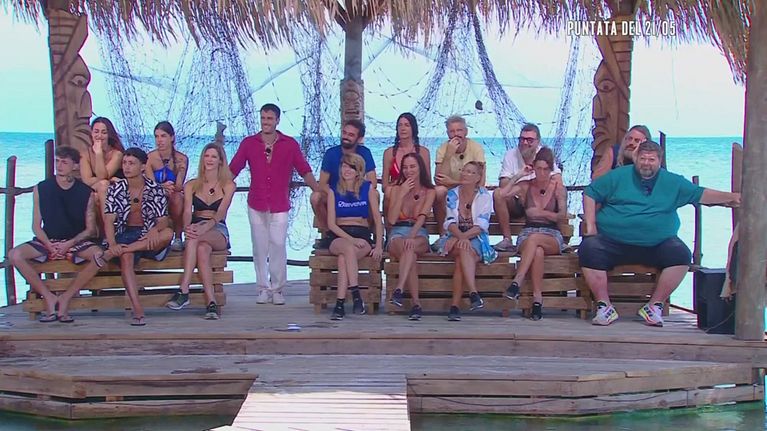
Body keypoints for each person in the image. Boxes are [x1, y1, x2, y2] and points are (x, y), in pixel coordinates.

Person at [580, 141, 740, 327]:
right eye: (643, 159)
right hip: (613, 241)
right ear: (635, 158)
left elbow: (701, 194)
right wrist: (591, 225)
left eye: (651, 160)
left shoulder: (673, 181)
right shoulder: (618, 176)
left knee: (681, 254)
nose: (646, 163)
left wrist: (731, 197)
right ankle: (604, 306)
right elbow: (590, 192)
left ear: (659, 161)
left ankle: (654, 306)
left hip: (657, 244)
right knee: (589, 248)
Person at [58, 147, 173, 326]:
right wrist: (112, 244)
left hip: (147, 237)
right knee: (126, 257)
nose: (126, 167)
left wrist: (154, 230)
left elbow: (163, 221)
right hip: (125, 234)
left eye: (131, 163)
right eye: (124, 163)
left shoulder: (155, 189)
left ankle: (121, 251)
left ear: (143, 167)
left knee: (168, 233)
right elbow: (109, 221)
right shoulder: (116, 189)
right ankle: (137, 310)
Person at [230, 103, 320, 305]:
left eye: (269, 118)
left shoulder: (290, 144)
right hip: (256, 202)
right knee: (259, 247)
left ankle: (277, 289)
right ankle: (263, 288)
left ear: (277, 120)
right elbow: (233, 169)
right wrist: (216, 187)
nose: (265, 122)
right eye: (263, 118)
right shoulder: (249, 143)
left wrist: (318, 189)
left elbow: (304, 169)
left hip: (280, 203)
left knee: (278, 245)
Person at [7, 146, 101, 322]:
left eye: (64, 162)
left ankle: (66, 297)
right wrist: (48, 244)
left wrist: (69, 244)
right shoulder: (42, 188)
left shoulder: (85, 192)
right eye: (57, 161)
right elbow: (36, 226)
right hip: (47, 240)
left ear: (75, 165)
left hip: (74, 241)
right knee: (14, 255)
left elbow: (90, 229)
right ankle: (48, 296)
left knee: (99, 256)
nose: (59, 165)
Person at [166, 143, 235, 319]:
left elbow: (221, 213)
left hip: (217, 229)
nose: (209, 160)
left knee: (194, 238)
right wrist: (187, 227)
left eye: (214, 157)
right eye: (206, 156)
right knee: (201, 249)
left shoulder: (228, 185)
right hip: (197, 227)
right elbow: (187, 211)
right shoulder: (191, 185)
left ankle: (184, 290)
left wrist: (204, 226)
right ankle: (211, 303)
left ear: (220, 161)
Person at [498, 147, 568, 320]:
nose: (542, 173)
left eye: (546, 169)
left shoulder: (558, 188)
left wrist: (540, 213)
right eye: (538, 168)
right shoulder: (526, 185)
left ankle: (517, 282)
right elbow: (501, 195)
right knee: (537, 251)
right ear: (533, 168)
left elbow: (561, 216)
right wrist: (519, 175)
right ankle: (537, 300)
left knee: (535, 240)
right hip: (528, 232)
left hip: (551, 234)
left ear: (551, 170)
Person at [324, 154, 384, 320]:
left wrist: (379, 245)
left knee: (343, 259)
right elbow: (331, 224)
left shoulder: (368, 189)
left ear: (358, 171)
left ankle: (340, 305)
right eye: (344, 166)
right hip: (339, 235)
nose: (347, 170)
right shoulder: (333, 190)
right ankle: (356, 294)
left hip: (362, 234)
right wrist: (351, 240)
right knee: (347, 249)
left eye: (351, 167)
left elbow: (378, 220)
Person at [435, 161, 497, 321]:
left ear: (478, 178)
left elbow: (482, 225)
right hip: (454, 237)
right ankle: (473, 293)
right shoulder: (452, 194)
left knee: (460, 259)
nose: (465, 174)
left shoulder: (484, 196)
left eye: (470, 172)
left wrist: (461, 238)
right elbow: (449, 222)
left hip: (476, 238)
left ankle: (455, 306)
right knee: (463, 249)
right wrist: (459, 237)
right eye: (464, 170)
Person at [493, 123, 562, 252]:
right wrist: (520, 179)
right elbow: (503, 185)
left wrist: (536, 188)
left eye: (529, 140)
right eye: (522, 139)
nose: (525, 143)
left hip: (540, 201)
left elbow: (557, 178)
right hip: (518, 201)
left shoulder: (543, 154)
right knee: (497, 193)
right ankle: (507, 239)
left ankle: (558, 237)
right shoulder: (511, 155)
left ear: (537, 141)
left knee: (556, 191)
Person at [386, 152, 436, 320]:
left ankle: (399, 289)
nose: (409, 171)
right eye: (405, 167)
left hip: (418, 232)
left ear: (420, 168)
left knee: (411, 248)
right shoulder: (396, 189)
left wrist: (412, 235)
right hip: (398, 232)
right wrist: (401, 193)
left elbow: (422, 217)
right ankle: (415, 303)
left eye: (412, 166)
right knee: (410, 253)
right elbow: (392, 219)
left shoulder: (429, 191)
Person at [310, 119, 376, 231]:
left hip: (358, 193)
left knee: (375, 194)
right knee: (315, 197)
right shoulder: (331, 153)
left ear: (359, 138)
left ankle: (368, 230)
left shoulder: (365, 152)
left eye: (351, 135)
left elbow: (373, 182)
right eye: (344, 133)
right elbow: (322, 184)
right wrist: (338, 195)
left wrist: (356, 192)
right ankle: (328, 232)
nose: (346, 137)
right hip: (335, 194)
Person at [433, 115, 486, 242]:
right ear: (448, 134)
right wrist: (449, 154)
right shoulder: (442, 149)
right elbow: (439, 180)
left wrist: (453, 182)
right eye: (452, 131)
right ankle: (443, 234)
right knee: (439, 191)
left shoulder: (476, 148)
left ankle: (472, 235)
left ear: (466, 132)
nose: (456, 134)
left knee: (479, 193)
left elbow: (480, 182)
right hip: (450, 193)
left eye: (459, 130)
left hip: (470, 192)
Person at [145, 121, 188, 251]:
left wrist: (180, 171)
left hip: (173, 195)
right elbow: (150, 184)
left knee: (178, 197)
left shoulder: (182, 158)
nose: (159, 140)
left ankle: (178, 237)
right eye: (156, 136)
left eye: (163, 136)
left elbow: (179, 186)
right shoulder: (150, 158)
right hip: (155, 196)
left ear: (172, 137)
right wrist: (162, 187)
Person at [381, 113, 431, 222]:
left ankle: (438, 228)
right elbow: (384, 186)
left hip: (418, 192)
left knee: (437, 192)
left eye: (407, 125)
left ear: (413, 128)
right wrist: (400, 186)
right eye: (400, 125)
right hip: (397, 192)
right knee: (389, 191)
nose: (403, 128)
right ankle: (389, 228)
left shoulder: (423, 152)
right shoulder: (389, 153)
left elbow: (428, 181)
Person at [80, 117, 125, 209]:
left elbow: (102, 176)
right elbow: (87, 181)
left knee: (102, 187)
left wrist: (98, 154)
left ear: (109, 135)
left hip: (116, 191)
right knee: (97, 193)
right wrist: (110, 179)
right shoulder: (85, 154)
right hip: (95, 189)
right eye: (96, 132)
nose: (99, 135)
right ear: (91, 133)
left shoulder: (117, 154)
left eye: (104, 133)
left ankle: (107, 219)